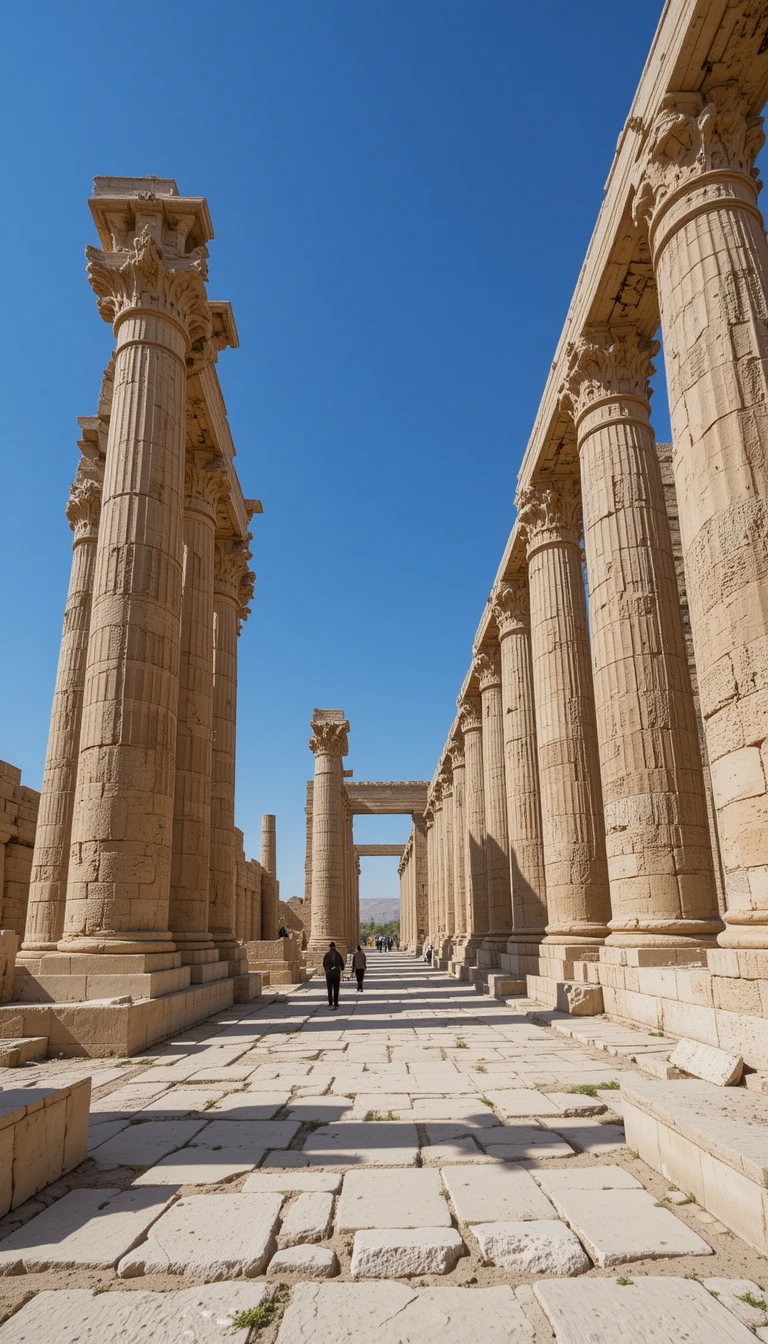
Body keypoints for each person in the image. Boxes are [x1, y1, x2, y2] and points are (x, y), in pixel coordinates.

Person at [323, 941, 345, 1009]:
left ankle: (330, 1002)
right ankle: (336, 1002)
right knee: (336, 988)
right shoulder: (338, 954)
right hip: (336, 973)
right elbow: (342, 964)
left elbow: (324, 964)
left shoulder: (327, 955)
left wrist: (327, 970)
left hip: (329, 973)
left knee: (329, 988)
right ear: (335, 947)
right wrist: (342, 968)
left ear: (329, 947)